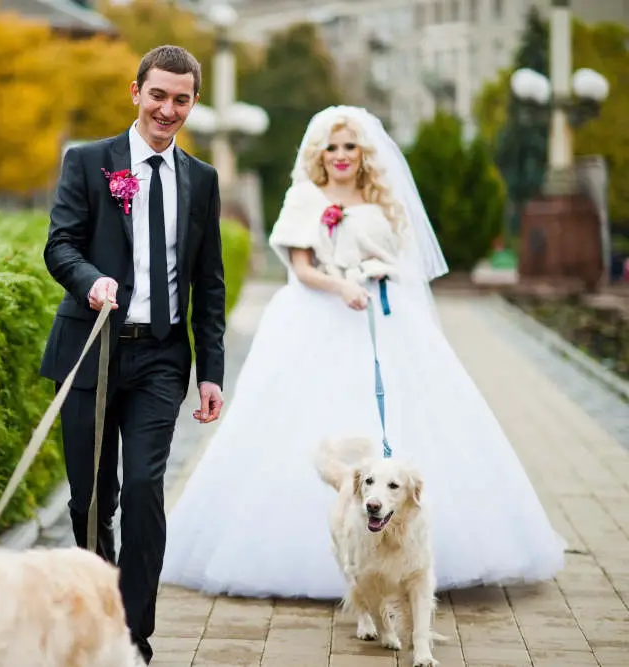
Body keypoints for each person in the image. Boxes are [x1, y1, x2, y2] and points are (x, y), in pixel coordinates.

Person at [159, 105, 566, 600]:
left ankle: (413, 548)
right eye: (331, 147)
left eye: (350, 146)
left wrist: (379, 271)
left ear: (363, 152)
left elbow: (401, 259)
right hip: (318, 314)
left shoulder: (381, 198)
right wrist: (341, 286)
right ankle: (320, 552)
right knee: (303, 421)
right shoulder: (304, 197)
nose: (341, 156)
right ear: (319, 154)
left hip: (382, 319)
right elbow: (302, 267)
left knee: (413, 412)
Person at [39, 45, 227, 664]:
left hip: (161, 359)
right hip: (90, 350)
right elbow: (59, 245)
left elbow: (209, 282)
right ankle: (97, 615)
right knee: (90, 497)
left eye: (181, 99)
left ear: (194, 103)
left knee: (144, 487)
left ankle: (132, 633)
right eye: (158, 95)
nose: (167, 109)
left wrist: (211, 373)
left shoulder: (201, 180)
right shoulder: (89, 162)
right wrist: (91, 280)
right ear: (135, 92)